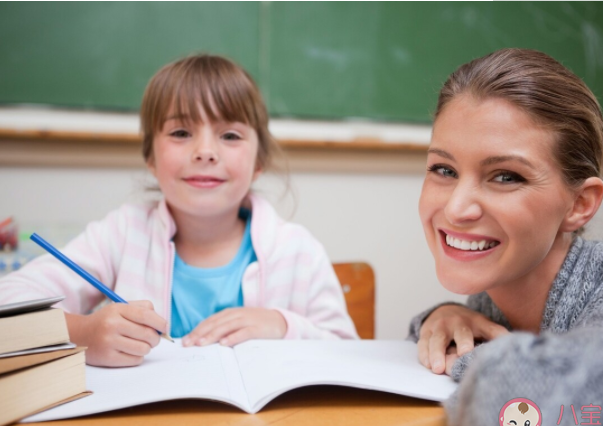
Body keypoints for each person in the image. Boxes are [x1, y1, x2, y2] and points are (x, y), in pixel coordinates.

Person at [0, 54, 358, 367]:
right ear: (151, 159)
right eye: (182, 132)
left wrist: (283, 326)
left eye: (230, 135)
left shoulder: (297, 250)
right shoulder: (122, 233)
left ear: (259, 161)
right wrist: (83, 333)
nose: (205, 151)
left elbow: (349, 355)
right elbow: (8, 304)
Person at [407, 48, 603, 426]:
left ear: (578, 205)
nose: (457, 209)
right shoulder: (495, 294)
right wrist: (440, 317)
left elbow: (527, 415)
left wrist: (471, 358)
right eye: (444, 169)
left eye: (506, 176)